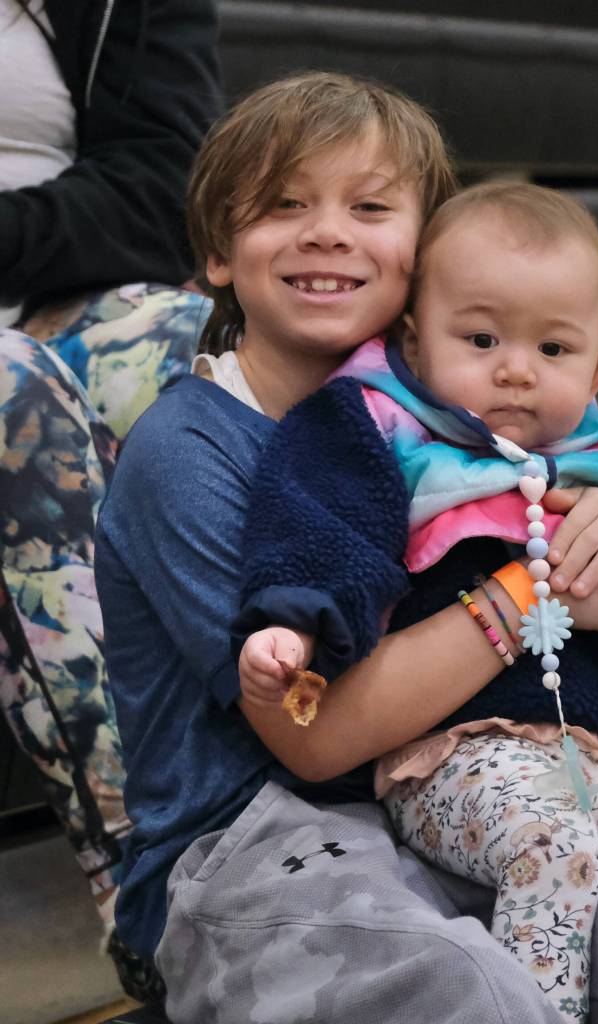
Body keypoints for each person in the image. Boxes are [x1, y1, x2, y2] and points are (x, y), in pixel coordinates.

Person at [95, 72, 598, 1022]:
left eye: (370, 207)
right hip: (247, 847)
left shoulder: (458, 427)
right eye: (282, 206)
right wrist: (541, 591)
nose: (326, 231)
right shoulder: (187, 451)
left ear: (422, 259)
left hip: (460, 800)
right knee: (454, 980)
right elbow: (317, 741)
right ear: (220, 252)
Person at [234, 182, 598, 1018]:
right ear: (417, 341)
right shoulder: (384, 431)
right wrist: (295, 625)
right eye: (482, 336)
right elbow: (323, 529)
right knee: (553, 849)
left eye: (554, 349)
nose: (515, 369)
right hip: (455, 754)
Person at [0, 0, 220, 982]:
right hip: (19, 366)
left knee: (229, 350)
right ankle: (154, 882)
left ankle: (396, 774)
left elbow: (159, 188)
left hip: (56, 294)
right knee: (13, 392)